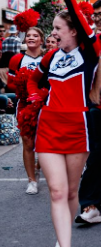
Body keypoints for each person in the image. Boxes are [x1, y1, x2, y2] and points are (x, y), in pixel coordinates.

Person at [27, 0, 99, 247]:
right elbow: (33, 80)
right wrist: (36, 96)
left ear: (73, 31)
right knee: (56, 191)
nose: (53, 32)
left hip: (78, 127)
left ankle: (62, 238)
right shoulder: (49, 57)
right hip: (48, 126)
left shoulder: (89, 53)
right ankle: (64, 244)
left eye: (58, 28)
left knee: (70, 191)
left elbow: (77, 14)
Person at [76, 0, 101, 225]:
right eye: (96, 14)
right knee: (95, 157)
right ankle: (91, 206)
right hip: (97, 107)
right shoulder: (91, 42)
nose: (98, 18)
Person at [7, 26, 45, 195]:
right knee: (28, 142)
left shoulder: (48, 59)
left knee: (44, 144)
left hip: (45, 104)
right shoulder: (16, 59)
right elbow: (10, 83)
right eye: (28, 36)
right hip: (24, 104)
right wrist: (22, 84)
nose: (31, 38)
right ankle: (32, 180)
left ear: (41, 40)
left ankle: (39, 165)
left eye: (35, 35)